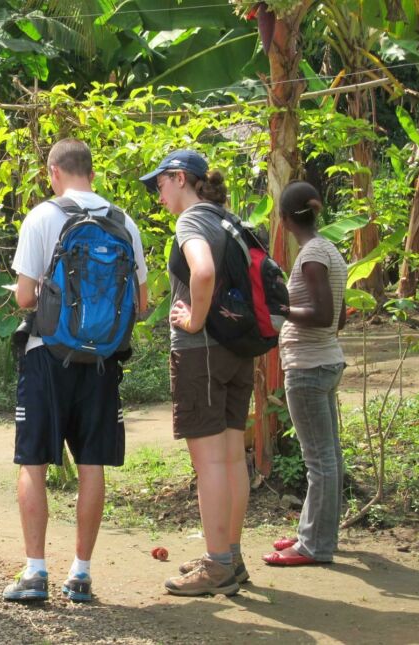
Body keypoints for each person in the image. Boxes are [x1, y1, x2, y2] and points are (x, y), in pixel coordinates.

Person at [4, 138, 148, 603]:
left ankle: (35, 571)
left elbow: (25, 298)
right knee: (92, 465)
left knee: (33, 462)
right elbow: (142, 305)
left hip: (48, 353)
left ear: (54, 172)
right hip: (103, 360)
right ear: (91, 171)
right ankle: (81, 573)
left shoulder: (43, 216)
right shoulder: (124, 222)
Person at [139, 150, 253, 597]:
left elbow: (201, 272)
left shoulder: (191, 221)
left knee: (209, 464)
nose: (158, 194)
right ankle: (231, 555)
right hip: (235, 351)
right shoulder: (227, 219)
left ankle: (217, 565)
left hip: (201, 353)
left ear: (180, 178)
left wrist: (193, 320)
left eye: (160, 185)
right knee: (229, 458)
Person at [263, 180, 347, 566]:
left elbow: (323, 315)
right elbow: (340, 318)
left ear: (283, 219)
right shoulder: (329, 249)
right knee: (329, 458)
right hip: (326, 360)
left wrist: (281, 307)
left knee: (319, 461)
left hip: (309, 368)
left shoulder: (312, 255)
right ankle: (316, 535)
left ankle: (314, 546)